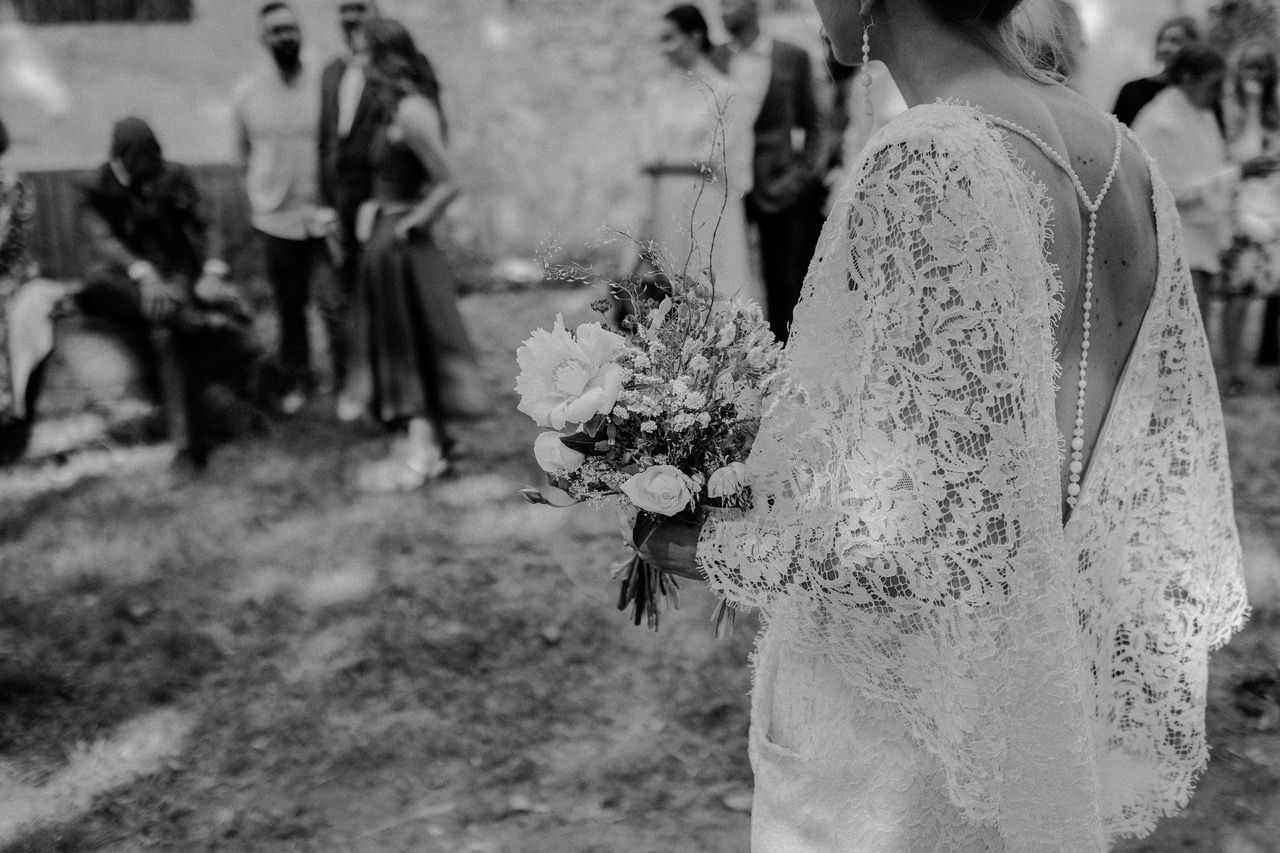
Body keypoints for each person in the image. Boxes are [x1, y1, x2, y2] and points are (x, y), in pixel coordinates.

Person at [639, 0, 1247, 848]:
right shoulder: (1123, 155)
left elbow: (920, 544)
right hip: (1036, 684)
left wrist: (688, 541)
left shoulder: (931, 155)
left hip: (903, 741)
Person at [341, 18, 485, 492]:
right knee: (400, 345)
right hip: (385, 238)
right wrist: (371, 207)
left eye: (364, 55)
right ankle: (433, 444)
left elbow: (449, 181)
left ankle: (423, 451)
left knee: (413, 345)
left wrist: (410, 221)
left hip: (405, 247)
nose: (358, 64)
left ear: (386, 57)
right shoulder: (389, 111)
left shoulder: (411, 111)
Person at [77, 117, 259, 470]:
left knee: (166, 334)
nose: (148, 176)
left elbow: (208, 223)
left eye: (152, 166)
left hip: (171, 286)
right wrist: (143, 274)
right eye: (139, 169)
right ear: (118, 160)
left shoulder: (173, 176)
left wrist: (213, 270)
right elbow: (103, 242)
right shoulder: (94, 187)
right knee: (96, 282)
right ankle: (198, 322)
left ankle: (187, 449)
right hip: (123, 286)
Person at [1133, 44, 1278, 354]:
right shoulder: (1160, 122)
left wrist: (1241, 172)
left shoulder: (1202, 114)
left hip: (1206, 238)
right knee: (1177, 340)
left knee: (1196, 338)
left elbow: (1212, 168)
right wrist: (1238, 172)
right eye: (1214, 83)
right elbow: (1172, 190)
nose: (1219, 92)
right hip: (1176, 242)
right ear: (1187, 77)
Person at [235, 1, 342, 414]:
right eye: (275, 31)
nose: (284, 37)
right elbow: (242, 155)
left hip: (321, 216)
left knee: (334, 302)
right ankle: (299, 380)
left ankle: (344, 378)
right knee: (289, 306)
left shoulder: (322, 86)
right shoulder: (248, 94)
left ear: (300, 33)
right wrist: (259, 200)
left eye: (290, 29)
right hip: (275, 219)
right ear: (264, 39)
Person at [633, 5, 762, 311]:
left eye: (670, 38)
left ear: (695, 36)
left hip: (708, 201)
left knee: (712, 288)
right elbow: (646, 157)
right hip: (666, 203)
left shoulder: (725, 93)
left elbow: (724, 159)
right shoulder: (657, 94)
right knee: (668, 292)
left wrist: (673, 163)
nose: (664, 50)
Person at [720, 0, 825, 342]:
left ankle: (784, 353)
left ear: (753, 7)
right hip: (724, 183)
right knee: (726, 274)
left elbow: (814, 123)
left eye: (729, 3)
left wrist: (800, 176)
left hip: (777, 183)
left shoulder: (791, 56)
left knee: (782, 278)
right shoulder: (716, 58)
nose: (722, 12)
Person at [1220, 43, 1280, 392]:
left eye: (1261, 69)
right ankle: (1234, 372)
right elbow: (1245, 155)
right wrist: (1254, 106)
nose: (1255, 76)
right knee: (1238, 294)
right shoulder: (1231, 111)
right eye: (1249, 68)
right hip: (1241, 213)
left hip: (1274, 209)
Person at [1112, 15, 1199, 126]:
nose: (1165, 47)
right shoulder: (1132, 90)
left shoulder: (1199, 93)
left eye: (1175, 41)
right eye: (1161, 40)